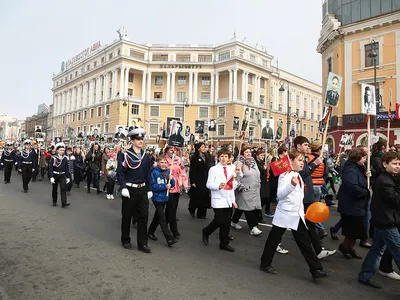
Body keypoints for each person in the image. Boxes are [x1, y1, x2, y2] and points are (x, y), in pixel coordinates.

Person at [260, 150, 329, 279]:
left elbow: (298, 197)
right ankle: (265, 263)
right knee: (273, 240)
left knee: (305, 242)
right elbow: (280, 195)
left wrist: (301, 212)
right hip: (284, 214)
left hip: (296, 215)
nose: (302, 163)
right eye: (299, 160)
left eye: (303, 160)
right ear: (291, 161)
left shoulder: (296, 175)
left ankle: (316, 269)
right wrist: (291, 185)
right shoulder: (285, 176)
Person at [358, 151, 400, 289]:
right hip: (387, 223)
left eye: (399, 163)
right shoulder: (385, 182)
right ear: (384, 164)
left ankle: (365, 276)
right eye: (394, 164)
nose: (397, 166)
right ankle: (365, 275)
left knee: (377, 250)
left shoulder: (390, 178)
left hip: (385, 221)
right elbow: (396, 200)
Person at [294, 136, 336, 259]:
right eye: (306, 144)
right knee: (284, 228)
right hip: (301, 196)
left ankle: (318, 251)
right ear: (298, 146)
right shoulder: (296, 158)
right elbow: (301, 173)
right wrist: (315, 165)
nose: (308, 147)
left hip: (307, 194)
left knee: (310, 224)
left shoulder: (305, 158)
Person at [116, 128, 153, 253]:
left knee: (144, 217)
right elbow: (120, 172)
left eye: (142, 139)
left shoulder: (146, 157)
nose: (140, 141)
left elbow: (148, 174)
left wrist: (149, 188)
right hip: (130, 189)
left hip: (142, 189)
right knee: (127, 216)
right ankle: (125, 239)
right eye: (138, 139)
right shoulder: (125, 155)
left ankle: (142, 243)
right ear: (132, 140)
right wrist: (123, 187)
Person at [202, 149, 240, 252]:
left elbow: (232, 187)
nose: (224, 159)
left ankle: (224, 243)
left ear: (229, 159)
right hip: (218, 198)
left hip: (228, 199)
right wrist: (218, 186)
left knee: (227, 222)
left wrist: (233, 200)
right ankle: (206, 231)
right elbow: (208, 184)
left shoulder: (231, 170)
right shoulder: (213, 169)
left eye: (226, 157)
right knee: (219, 220)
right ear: (218, 157)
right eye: (222, 156)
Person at [337, 148, 370, 259]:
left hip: (356, 204)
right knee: (353, 230)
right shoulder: (351, 170)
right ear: (358, 158)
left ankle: (350, 248)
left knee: (355, 230)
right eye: (364, 158)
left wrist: (367, 175)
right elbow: (352, 187)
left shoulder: (359, 168)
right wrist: (366, 192)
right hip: (351, 204)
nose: (365, 160)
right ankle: (345, 247)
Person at [231, 146, 263, 236]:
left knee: (241, 207)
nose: (248, 153)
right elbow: (235, 177)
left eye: (249, 152)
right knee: (249, 208)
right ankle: (253, 227)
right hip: (244, 190)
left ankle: (234, 220)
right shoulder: (238, 163)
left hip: (254, 190)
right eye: (246, 152)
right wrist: (239, 186)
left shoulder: (253, 162)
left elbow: (257, 174)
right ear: (242, 154)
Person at [148, 155, 178, 247]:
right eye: (162, 162)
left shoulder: (168, 172)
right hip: (157, 198)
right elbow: (153, 186)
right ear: (158, 163)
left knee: (157, 216)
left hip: (165, 198)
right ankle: (169, 238)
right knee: (162, 218)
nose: (164, 164)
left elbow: (172, 184)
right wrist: (164, 187)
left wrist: (171, 180)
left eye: (165, 162)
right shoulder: (154, 173)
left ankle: (150, 232)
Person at [164, 146, 189, 238]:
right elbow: (161, 171)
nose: (173, 151)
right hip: (168, 186)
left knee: (171, 209)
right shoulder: (164, 159)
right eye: (171, 150)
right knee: (171, 209)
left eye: (175, 150)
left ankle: (161, 226)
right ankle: (174, 230)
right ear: (166, 151)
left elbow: (183, 173)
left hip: (177, 187)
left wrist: (185, 184)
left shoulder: (178, 160)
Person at [189, 142, 212, 218]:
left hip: (205, 178)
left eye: (204, 147)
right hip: (198, 179)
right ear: (198, 148)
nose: (204, 148)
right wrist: (192, 181)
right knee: (197, 196)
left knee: (205, 196)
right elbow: (192, 170)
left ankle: (202, 213)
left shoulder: (207, 156)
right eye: (202, 147)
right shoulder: (195, 157)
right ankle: (192, 209)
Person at [49, 143, 71, 208]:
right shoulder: (54, 158)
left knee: (63, 188)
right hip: (55, 174)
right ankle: (54, 201)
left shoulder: (65, 158)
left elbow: (66, 168)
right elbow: (51, 168)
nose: (62, 151)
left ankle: (64, 202)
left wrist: (68, 177)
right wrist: (51, 176)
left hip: (62, 175)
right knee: (55, 188)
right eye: (61, 150)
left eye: (63, 150)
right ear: (57, 150)